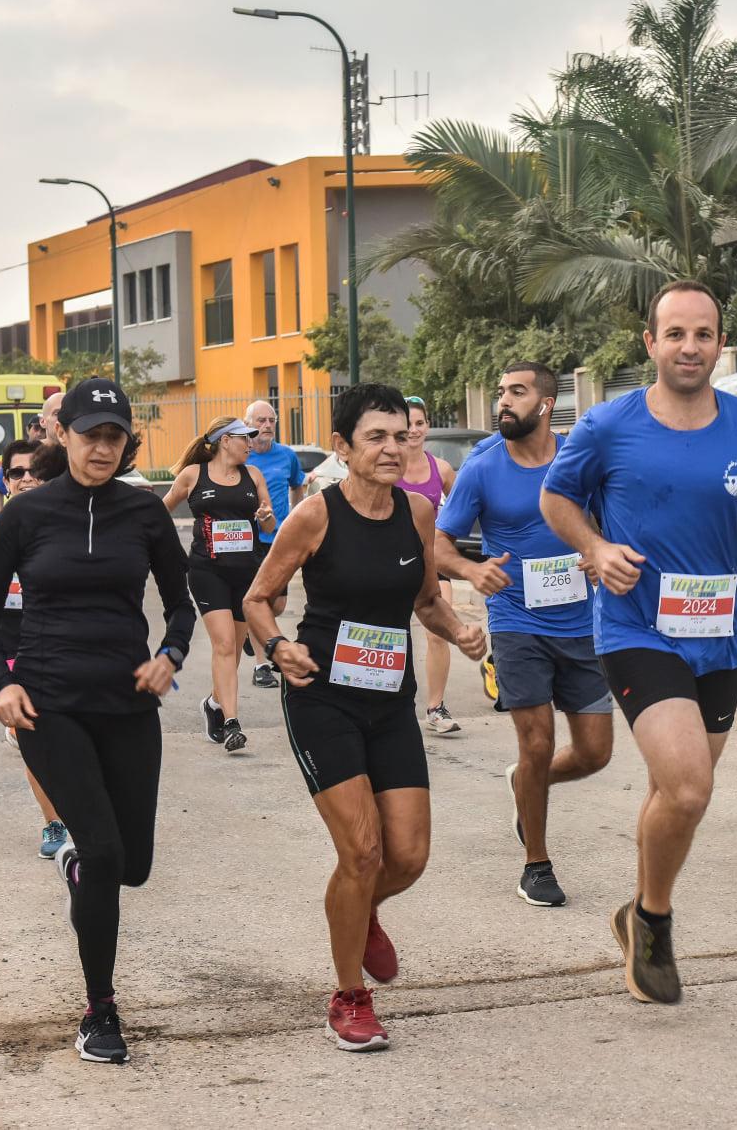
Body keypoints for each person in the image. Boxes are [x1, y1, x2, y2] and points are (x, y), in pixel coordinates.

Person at [541, 279, 737, 1004]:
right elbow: (556, 498)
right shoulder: (607, 425)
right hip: (636, 628)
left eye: (703, 334)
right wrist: (595, 549)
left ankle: (636, 912)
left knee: (674, 793)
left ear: (721, 344)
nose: (690, 347)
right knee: (689, 786)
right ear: (650, 343)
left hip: (720, 637)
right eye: (676, 334)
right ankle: (653, 920)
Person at [244, 383, 485, 1052]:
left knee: (408, 855)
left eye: (400, 435)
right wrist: (278, 646)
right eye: (375, 437)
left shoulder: (417, 512)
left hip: (390, 699)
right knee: (362, 851)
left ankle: (363, 908)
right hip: (322, 697)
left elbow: (427, 601)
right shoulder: (314, 516)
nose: (392, 448)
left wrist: (461, 630)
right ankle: (349, 997)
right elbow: (258, 598)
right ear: (343, 448)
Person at [0, 377, 193, 1065]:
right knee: (103, 852)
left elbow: (180, 604)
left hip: (128, 704)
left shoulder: (145, 512)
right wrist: (3, 685)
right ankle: (100, 1010)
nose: (101, 447)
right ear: (62, 434)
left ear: (128, 444)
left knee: (133, 865)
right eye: (90, 434)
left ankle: (80, 867)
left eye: (114, 436)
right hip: (49, 704)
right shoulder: (27, 514)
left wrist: (170, 655)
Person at [435, 363, 613, 907]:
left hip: (583, 623)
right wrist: (471, 570)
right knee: (537, 743)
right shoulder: (483, 465)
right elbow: (439, 545)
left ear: (545, 403)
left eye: (516, 392)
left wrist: (599, 553)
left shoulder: (578, 459)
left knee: (595, 753)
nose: (503, 402)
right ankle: (536, 864)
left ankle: (526, 782)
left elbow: (608, 526)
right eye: (500, 392)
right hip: (517, 622)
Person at [0, 439, 69, 857]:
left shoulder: (64, 525)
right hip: (11, 642)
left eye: (33, 472)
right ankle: (54, 823)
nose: (26, 479)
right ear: (4, 482)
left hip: (57, 641)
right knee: (34, 738)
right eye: (16, 473)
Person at [162, 416, 276, 753]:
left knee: (234, 650)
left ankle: (214, 703)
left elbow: (269, 523)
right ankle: (231, 723)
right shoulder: (193, 475)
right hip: (206, 571)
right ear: (225, 440)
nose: (250, 444)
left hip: (246, 572)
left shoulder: (253, 475)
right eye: (244, 438)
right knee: (224, 644)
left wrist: (265, 517)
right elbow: (160, 511)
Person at [400, 396, 459, 735]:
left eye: (419, 423)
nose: (413, 430)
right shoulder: (388, 466)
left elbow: (464, 506)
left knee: (440, 631)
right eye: (407, 424)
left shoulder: (442, 470)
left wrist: (446, 538)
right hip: (392, 562)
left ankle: (436, 708)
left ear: (427, 426)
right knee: (393, 634)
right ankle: (392, 706)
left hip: (431, 561)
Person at [242, 400, 308, 690]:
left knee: (277, 604)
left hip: (279, 538)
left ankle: (252, 630)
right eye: (261, 420)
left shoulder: (287, 456)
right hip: (250, 540)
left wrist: (295, 518)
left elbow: (297, 485)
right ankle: (262, 666)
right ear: (248, 425)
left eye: (271, 420)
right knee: (259, 599)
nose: (267, 425)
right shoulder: (241, 456)